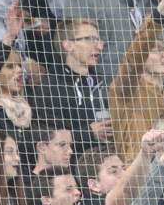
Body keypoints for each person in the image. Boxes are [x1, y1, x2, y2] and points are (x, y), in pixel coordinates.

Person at [108, 0, 164, 163]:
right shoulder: (128, 89)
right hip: (139, 178)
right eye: (157, 49)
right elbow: (134, 55)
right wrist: (161, 10)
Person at [34, 18, 112, 152]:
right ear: (68, 45)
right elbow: (44, 136)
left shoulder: (105, 82)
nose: (99, 46)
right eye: (90, 40)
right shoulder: (50, 88)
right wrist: (88, 133)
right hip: (73, 165)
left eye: (99, 41)